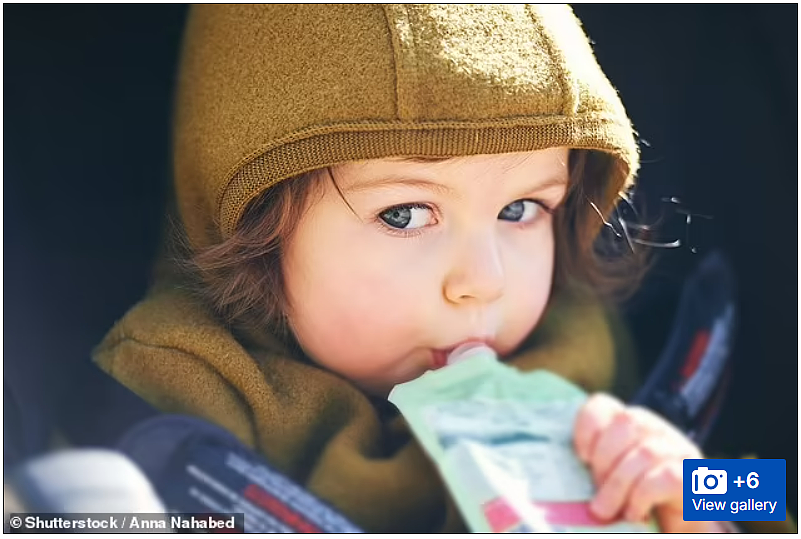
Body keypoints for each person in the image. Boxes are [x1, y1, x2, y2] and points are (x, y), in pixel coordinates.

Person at [94, 5, 728, 532]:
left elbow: (775, 493)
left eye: (520, 209)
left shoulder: (583, 345)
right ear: (256, 234)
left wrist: (701, 496)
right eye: (404, 215)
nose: (484, 280)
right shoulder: (177, 391)